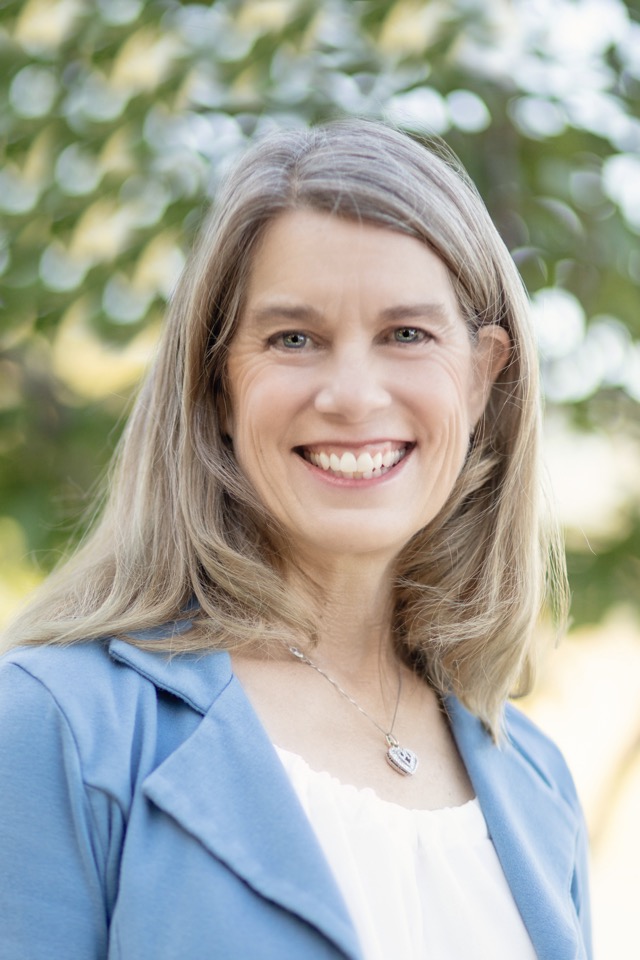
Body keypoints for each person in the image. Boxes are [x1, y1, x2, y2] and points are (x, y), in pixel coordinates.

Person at [0, 119, 591, 960]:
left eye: (407, 334)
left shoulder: (537, 780)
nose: (352, 396)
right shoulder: (54, 724)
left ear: (484, 374)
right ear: (217, 387)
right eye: (294, 339)